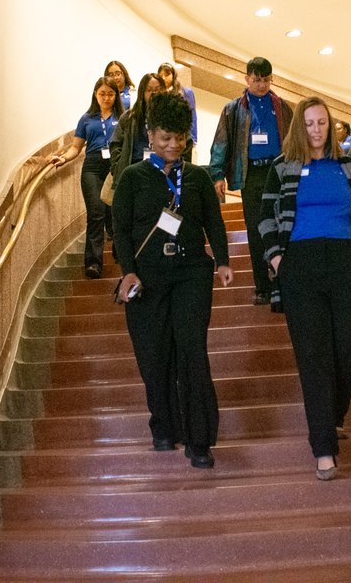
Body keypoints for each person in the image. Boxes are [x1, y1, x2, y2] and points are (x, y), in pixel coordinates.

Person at [259, 96, 351, 480]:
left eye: (322, 123)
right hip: (301, 264)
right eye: (310, 123)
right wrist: (277, 259)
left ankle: (334, 416)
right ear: (300, 126)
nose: (316, 130)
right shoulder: (283, 167)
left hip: (347, 262)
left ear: (331, 126)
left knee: (345, 350)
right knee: (313, 355)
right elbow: (265, 215)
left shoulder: (348, 165)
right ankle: (323, 448)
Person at [112, 93, 234, 469]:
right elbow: (121, 231)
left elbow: (213, 221)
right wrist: (128, 270)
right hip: (146, 280)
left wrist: (223, 261)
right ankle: (163, 425)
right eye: (166, 137)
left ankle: (199, 439)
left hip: (191, 274)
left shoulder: (197, 177)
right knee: (154, 356)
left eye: (180, 138)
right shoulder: (132, 178)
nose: (173, 145)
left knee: (192, 351)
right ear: (150, 135)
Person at [208, 57, 294, 306]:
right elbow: (221, 143)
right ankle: (263, 286)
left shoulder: (282, 106)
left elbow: (293, 140)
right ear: (247, 79)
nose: (261, 85)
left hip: (278, 171)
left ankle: (283, 281)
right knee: (257, 230)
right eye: (257, 80)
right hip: (251, 175)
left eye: (266, 80)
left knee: (282, 226)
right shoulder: (234, 109)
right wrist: (217, 175)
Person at [57, 77, 123, 279]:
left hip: (116, 166)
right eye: (102, 93)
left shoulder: (124, 117)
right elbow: (76, 147)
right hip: (92, 168)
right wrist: (63, 158)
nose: (106, 98)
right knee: (96, 212)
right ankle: (93, 263)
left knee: (117, 211)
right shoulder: (87, 118)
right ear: (95, 94)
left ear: (116, 95)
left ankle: (120, 252)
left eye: (110, 94)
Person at [108, 73, 164, 192]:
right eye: (149, 90)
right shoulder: (129, 117)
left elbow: (186, 142)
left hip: (163, 173)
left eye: (158, 90)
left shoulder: (172, 116)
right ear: (142, 93)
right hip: (134, 172)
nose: (153, 94)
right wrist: (117, 167)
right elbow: (115, 144)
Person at [157, 62, 198, 161]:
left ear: (173, 75)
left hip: (182, 135)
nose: (164, 78)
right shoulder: (157, 94)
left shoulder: (185, 92)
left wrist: (193, 139)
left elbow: (192, 116)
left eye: (167, 75)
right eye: (161, 76)